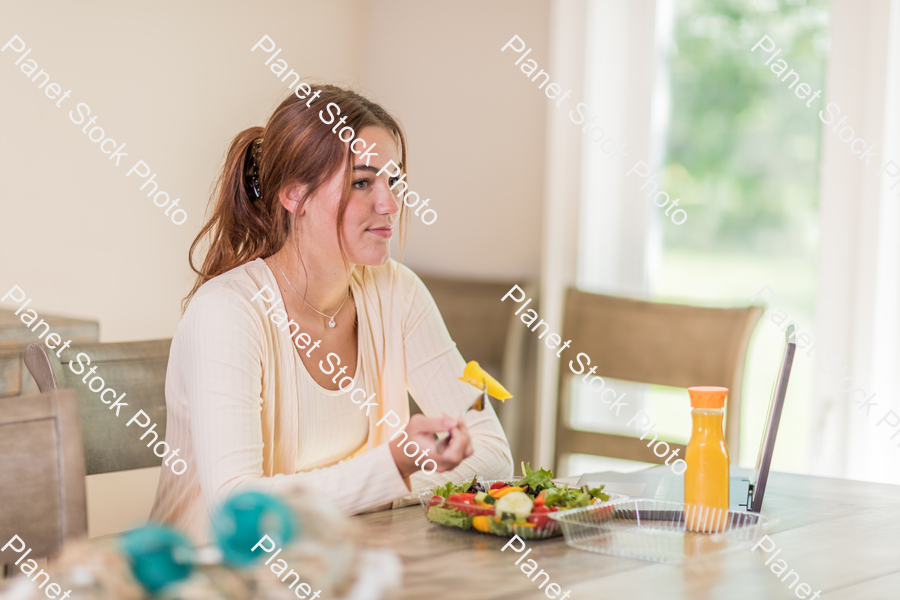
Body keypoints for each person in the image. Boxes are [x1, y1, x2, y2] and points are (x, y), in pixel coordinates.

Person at [149, 84, 513, 542]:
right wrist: (392, 467)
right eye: (363, 182)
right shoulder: (228, 313)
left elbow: (493, 452)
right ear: (294, 195)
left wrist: (393, 480)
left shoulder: (398, 291)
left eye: (393, 180)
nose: (390, 204)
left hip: (337, 569)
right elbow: (238, 509)